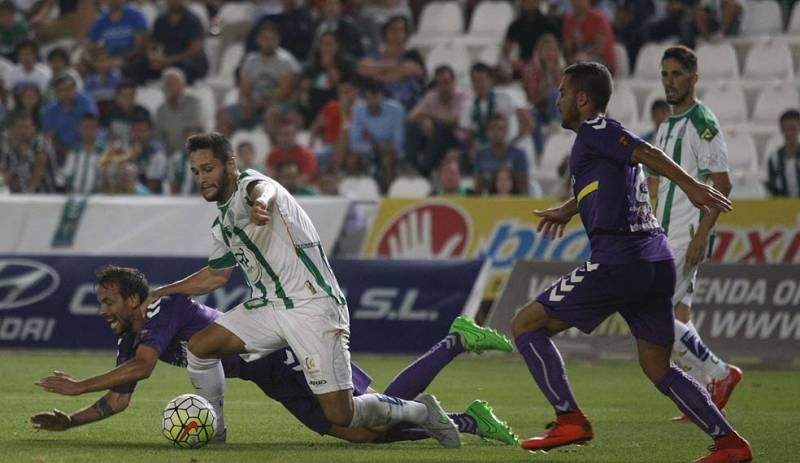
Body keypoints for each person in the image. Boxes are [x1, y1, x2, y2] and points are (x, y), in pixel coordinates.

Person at [140, 132, 462, 448]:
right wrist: (162, 292)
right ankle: (216, 432)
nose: (201, 178)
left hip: (312, 305)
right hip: (268, 308)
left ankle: (422, 411)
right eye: (196, 172)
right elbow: (215, 276)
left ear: (230, 164)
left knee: (342, 413)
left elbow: (263, 190)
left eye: (208, 169)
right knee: (200, 347)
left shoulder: (250, 186)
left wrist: (261, 205)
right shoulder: (222, 224)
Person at [508, 62, 751, 462]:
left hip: (619, 260)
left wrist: (691, 187)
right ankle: (730, 444)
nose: (558, 100)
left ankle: (569, 419)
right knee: (659, 366)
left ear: (582, 99)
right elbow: (617, 173)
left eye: (563, 93)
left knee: (526, 325)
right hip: (653, 261)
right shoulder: (599, 139)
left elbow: (646, 152)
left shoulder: (597, 130)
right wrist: (571, 208)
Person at [32, 265, 519, 447]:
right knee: (359, 433)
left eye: (108, 301)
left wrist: (76, 385)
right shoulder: (131, 336)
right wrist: (69, 422)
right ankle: (464, 417)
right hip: (268, 377)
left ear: (135, 301)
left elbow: (141, 368)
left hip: (284, 353)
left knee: (364, 418)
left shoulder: (165, 309)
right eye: (100, 302)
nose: (103, 311)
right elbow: (120, 400)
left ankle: (455, 343)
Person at [647, 46, 742, 420]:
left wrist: (702, 235)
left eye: (677, 74)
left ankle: (720, 373)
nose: (670, 82)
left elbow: (724, 184)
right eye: (665, 74)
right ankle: (701, 394)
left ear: (694, 78)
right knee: (680, 313)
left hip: (686, 233)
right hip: (664, 232)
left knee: (652, 314)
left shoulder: (703, 122)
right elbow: (656, 184)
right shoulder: (667, 125)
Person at [765, 109, 800, 198]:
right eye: (785, 129)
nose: (789, 133)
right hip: (783, 206)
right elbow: (773, 188)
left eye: (793, 128)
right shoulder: (774, 159)